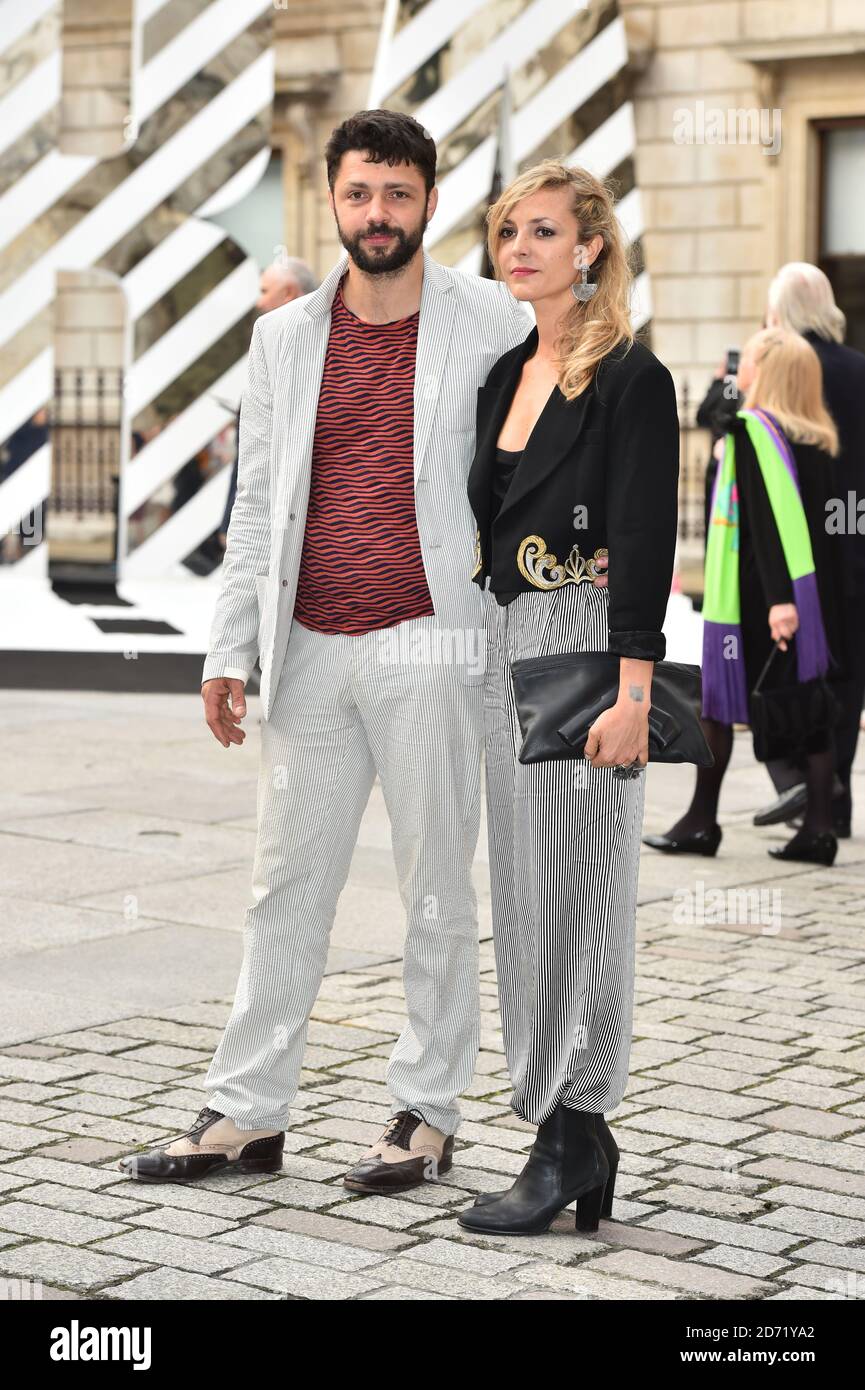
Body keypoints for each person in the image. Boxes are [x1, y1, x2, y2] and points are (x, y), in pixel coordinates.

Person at [117, 109, 530, 1192]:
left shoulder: (491, 318)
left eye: (396, 193)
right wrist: (228, 648)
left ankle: (426, 1113)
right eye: (358, 194)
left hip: (431, 643)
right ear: (333, 201)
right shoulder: (284, 337)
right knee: (283, 887)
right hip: (307, 650)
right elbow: (258, 505)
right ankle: (246, 1112)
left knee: (436, 888)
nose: (376, 213)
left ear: (428, 201)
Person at [456, 159, 679, 1236]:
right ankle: (565, 1129)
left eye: (543, 231)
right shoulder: (504, 373)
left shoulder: (632, 377)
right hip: (503, 647)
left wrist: (634, 691)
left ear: (590, 247)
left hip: (588, 651)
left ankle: (574, 1124)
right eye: (509, 232)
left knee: (583, 892)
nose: (520, 250)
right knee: (523, 895)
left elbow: (641, 536)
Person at [644, 327, 846, 867]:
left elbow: (764, 523)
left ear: (769, 371)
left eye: (751, 359)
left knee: (716, 700)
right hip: (809, 590)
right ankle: (818, 828)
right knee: (808, 704)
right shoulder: (817, 437)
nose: (741, 369)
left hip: (759, 593)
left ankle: (701, 822)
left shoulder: (753, 432)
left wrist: (779, 601)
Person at [752, 264, 865, 839]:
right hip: (854, 534)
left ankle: (808, 788)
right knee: (846, 673)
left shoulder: (786, 366)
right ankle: (834, 800)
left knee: (795, 664)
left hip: (798, 542)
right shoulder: (859, 368)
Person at [216, 258, 318, 551]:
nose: (259, 302)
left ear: (288, 293)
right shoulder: (274, 342)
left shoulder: (315, 350)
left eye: (264, 291)